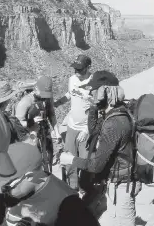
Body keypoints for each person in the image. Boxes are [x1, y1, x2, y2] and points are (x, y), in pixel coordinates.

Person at [59, 70, 140, 226]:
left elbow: (96, 165)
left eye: (94, 90)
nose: (91, 92)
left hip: (123, 184)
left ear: (106, 91)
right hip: (116, 180)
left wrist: (71, 159)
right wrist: (93, 107)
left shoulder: (114, 123)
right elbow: (94, 129)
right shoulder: (114, 112)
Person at [0, 109, 99, 226]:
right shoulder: (9, 195)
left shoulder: (70, 208)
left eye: (6, 187)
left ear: (30, 176)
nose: (2, 192)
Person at [14, 76, 61, 173]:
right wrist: (32, 121)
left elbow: (51, 114)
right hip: (31, 136)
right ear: (36, 89)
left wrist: (57, 132)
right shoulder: (25, 102)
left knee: (48, 159)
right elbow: (17, 125)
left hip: (45, 132)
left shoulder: (48, 97)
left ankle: (48, 177)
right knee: (35, 164)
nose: (45, 96)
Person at [63, 54, 93, 191]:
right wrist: (58, 102)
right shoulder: (72, 79)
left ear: (88, 68)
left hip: (85, 129)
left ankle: (85, 189)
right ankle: (72, 188)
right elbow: (70, 93)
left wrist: (87, 130)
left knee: (84, 160)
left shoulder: (94, 84)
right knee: (69, 159)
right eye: (75, 69)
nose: (76, 72)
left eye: (80, 70)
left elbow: (97, 109)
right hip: (72, 125)